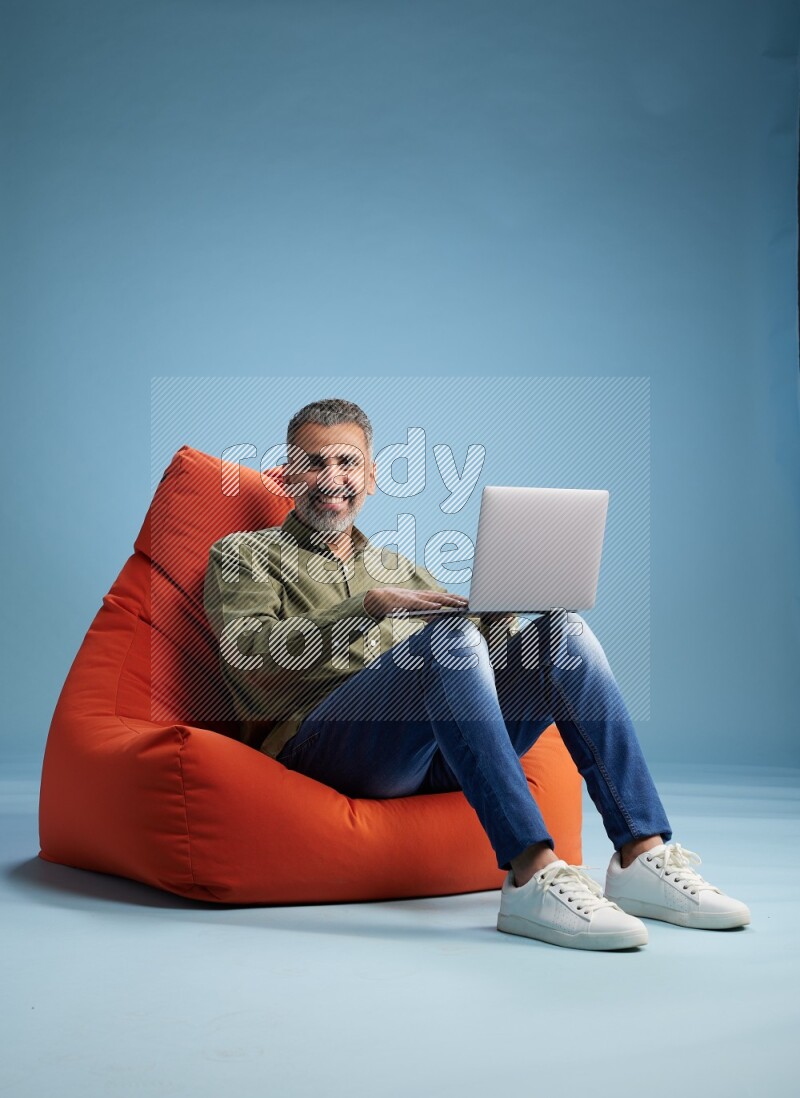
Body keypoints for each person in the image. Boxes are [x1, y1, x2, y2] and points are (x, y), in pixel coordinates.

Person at [203, 397, 751, 951]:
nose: (332, 479)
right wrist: (365, 606)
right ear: (289, 473)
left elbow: (474, 668)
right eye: (314, 463)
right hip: (322, 749)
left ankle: (642, 855)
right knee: (445, 641)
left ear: (371, 477)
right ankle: (531, 872)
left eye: (347, 463)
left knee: (562, 635)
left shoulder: (401, 569)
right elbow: (250, 656)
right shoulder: (245, 554)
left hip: (435, 753)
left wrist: (498, 612)